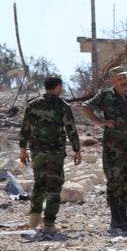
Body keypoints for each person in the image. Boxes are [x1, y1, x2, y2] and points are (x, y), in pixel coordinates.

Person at [81, 66, 127, 230]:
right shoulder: (105, 95)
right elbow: (86, 107)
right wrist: (100, 122)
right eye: (120, 79)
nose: (123, 81)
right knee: (115, 180)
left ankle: (124, 216)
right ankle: (115, 218)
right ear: (113, 81)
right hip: (113, 145)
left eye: (125, 78)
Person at [19, 75, 82, 234]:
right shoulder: (62, 106)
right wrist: (76, 149)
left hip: (37, 151)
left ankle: (33, 219)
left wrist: (22, 149)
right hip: (55, 152)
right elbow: (70, 128)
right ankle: (49, 223)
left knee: (39, 182)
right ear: (58, 87)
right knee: (54, 186)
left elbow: (25, 128)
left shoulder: (32, 105)